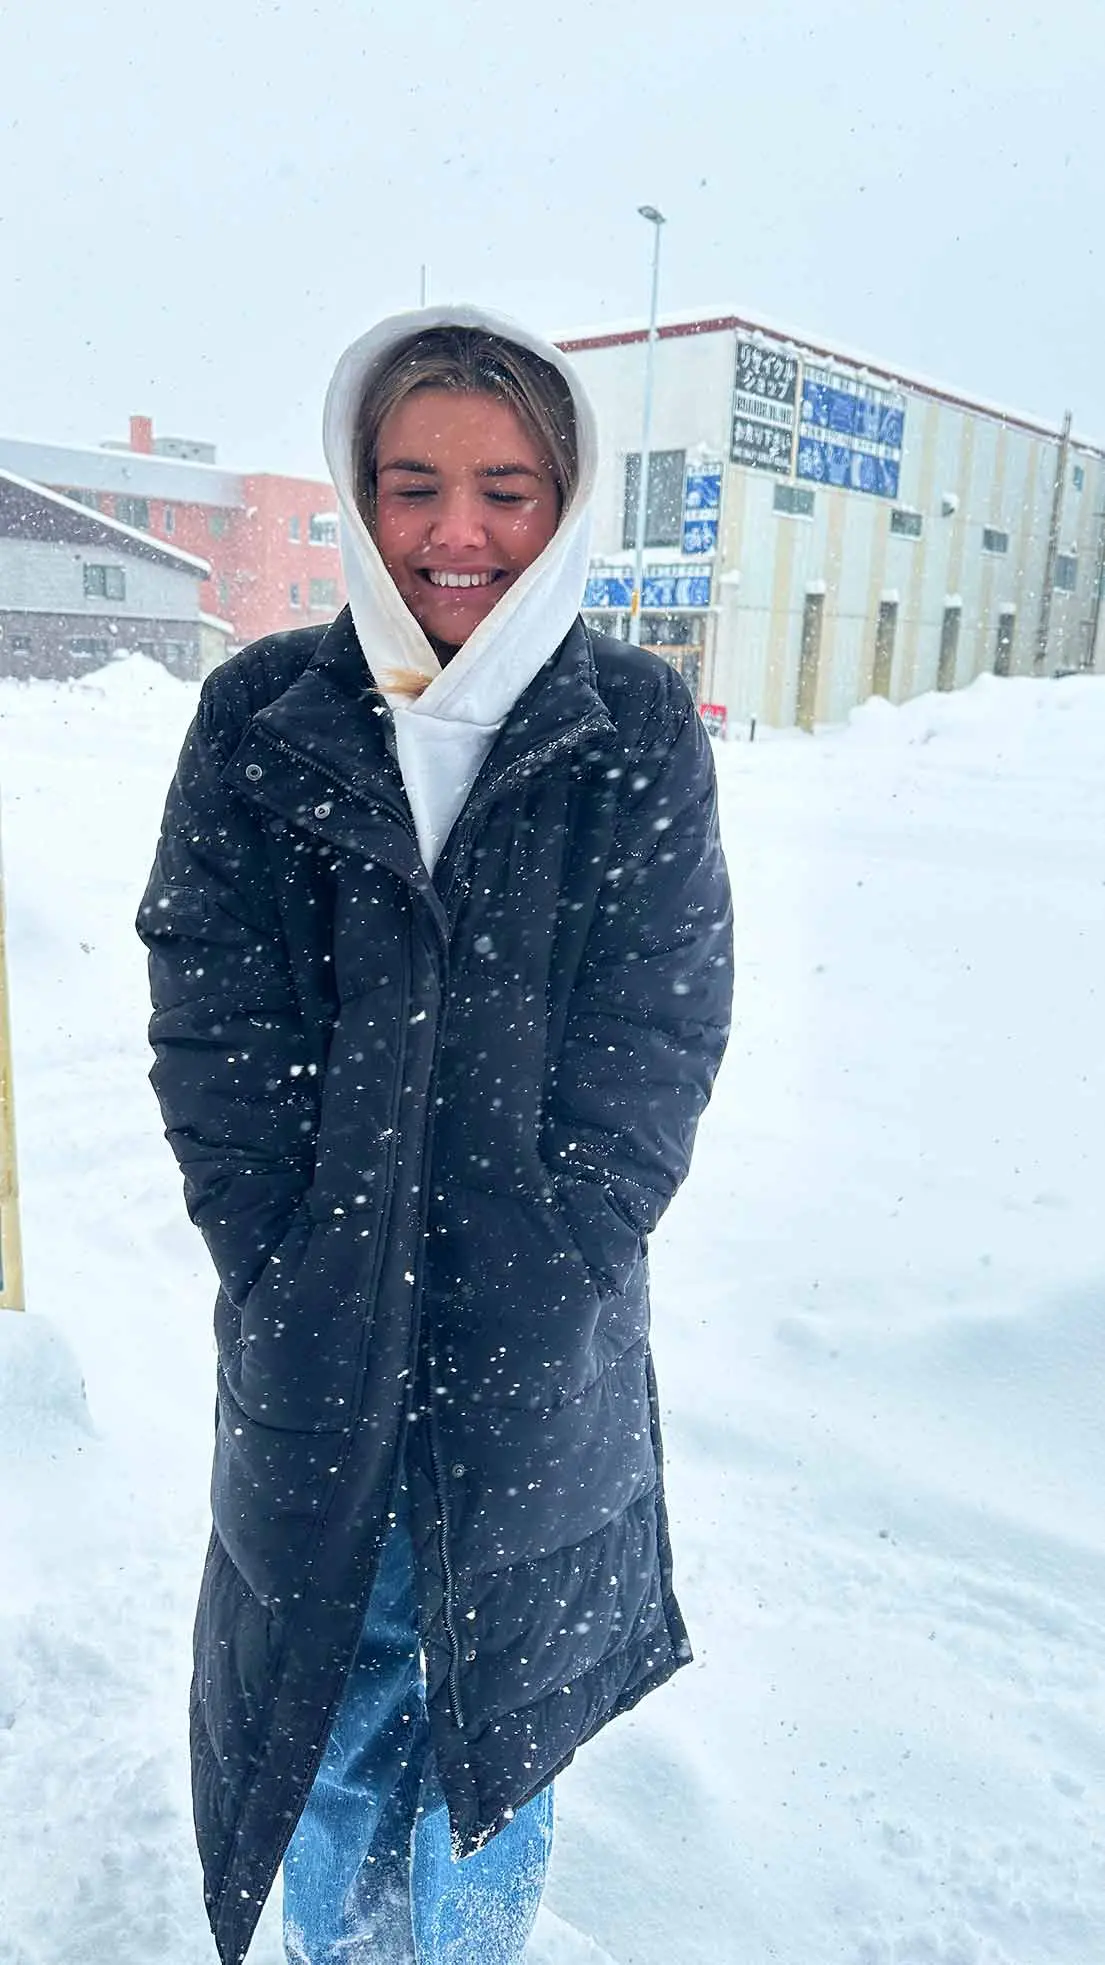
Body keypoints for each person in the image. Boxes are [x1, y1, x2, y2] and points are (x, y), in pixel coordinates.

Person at [137, 304, 733, 1965]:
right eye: (413, 485)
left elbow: (662, 1019)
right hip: (315, 1331)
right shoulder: (269, 713)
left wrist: (570, 1235)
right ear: (356, 491)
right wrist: (274, 1234)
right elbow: (212, 1004)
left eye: (507, 489)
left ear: (567, 504)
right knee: (323, 1704)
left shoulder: (630, 730)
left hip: (536, 1342)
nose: (455, 533)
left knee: (494, 1724)